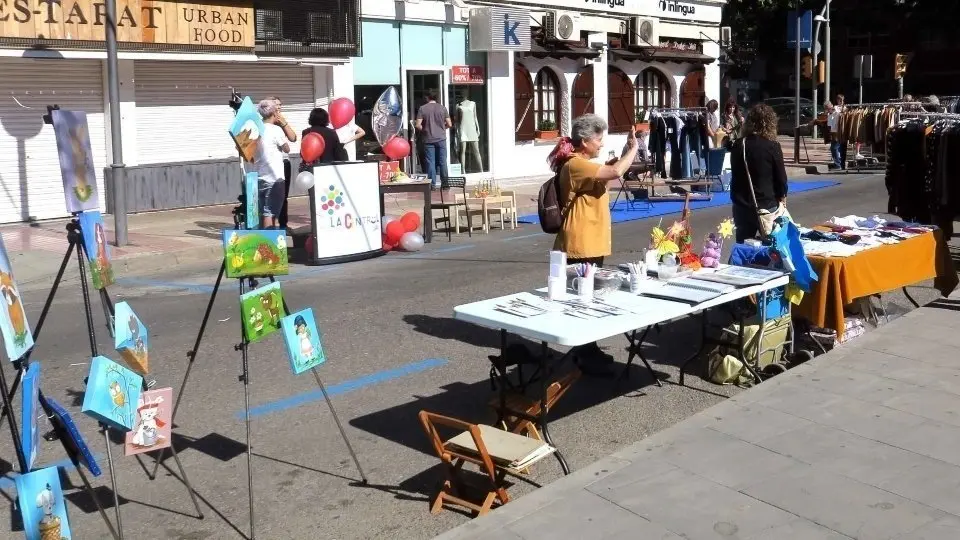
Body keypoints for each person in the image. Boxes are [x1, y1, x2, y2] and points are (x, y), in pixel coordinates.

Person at [549, 114, 639, 375]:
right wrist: (633, 149)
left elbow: (607, 171)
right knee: (584, 296)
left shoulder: (582, 163)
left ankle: (588, 349)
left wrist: (624, 152)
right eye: (598, 139)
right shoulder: (575, 164)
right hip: (581, 239)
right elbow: (616, 171)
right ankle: (585, 353)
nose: (601, 144)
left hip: (588, 238)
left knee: (587, 294)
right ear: (585, 141)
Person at [729, 104, 788, 243]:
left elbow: (736, 174)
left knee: (744, 247)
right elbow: (781, 179)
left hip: (741, 204)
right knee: (772, 248)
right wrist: (782, 197)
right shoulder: (772, 146)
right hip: (766, 204)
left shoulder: (738, 145)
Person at [252, 100, 291, 229]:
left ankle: (264, 242)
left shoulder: (256, 130)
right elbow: (287, 149)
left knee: (264, 211)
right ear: (274, 113)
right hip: (274, 178)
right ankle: (269, 244)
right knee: (270, 213)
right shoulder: (276, 130)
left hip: (260, 176)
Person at [264, 96, 298, 230]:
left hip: (283, 162)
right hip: (269, 163)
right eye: (275, 105)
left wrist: (283, 123)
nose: (278, 108)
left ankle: (282, 224)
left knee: (283, 195)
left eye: (280, 105)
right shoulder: (265, 124)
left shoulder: (281, 123)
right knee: (269, 197)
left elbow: (293, 138)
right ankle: (270, 226)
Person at [415, 91, 452, 190]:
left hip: (428, 139)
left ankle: (432, 185)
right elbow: (449, 124)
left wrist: (425, 130)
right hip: (441, 138)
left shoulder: (422, 108)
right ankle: (445, 184)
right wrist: (442, 128)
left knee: (430, 162)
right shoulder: (442, 108)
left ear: (427, 97)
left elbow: (418, 125)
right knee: (443, 161)